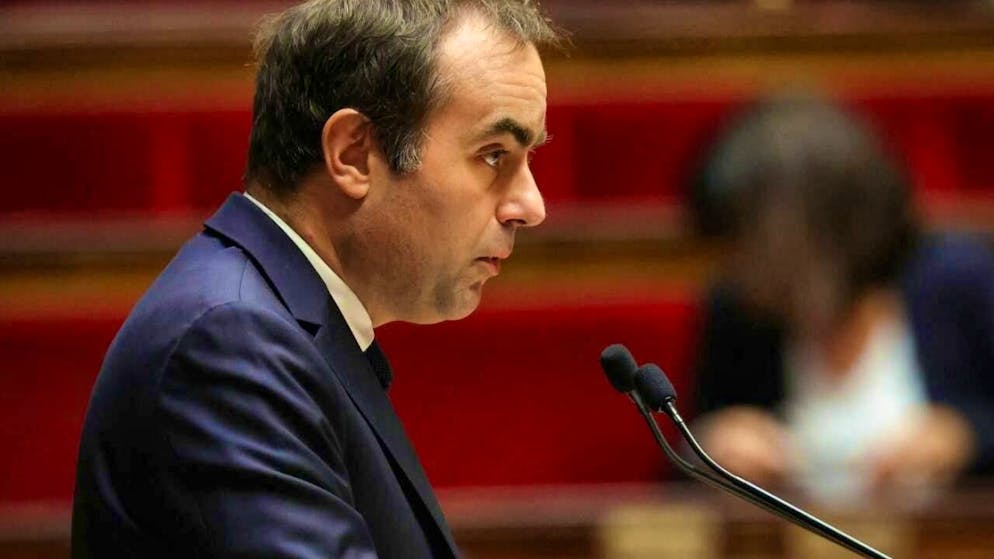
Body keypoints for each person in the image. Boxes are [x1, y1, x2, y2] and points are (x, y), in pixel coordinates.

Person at [71, 1, 559, 557]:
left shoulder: (277, 324)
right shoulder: (231, 344)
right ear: (354, 155)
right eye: (494, 154)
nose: (531, 205)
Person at [689, 95, 994, 506]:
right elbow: (678, 470)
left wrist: (966, 438)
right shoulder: (737, 313)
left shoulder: (959, 281)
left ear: (835, 229)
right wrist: (713, 449)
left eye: (758, 245)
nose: (742, 269)